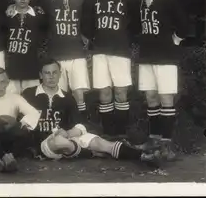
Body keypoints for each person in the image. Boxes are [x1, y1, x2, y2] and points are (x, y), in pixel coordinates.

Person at [21, 58, 162, 164]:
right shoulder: (29, 94)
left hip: (68, 136)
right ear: (40, 75)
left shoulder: (67, 97)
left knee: (102, 143)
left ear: (60, 74)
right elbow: (23, 125)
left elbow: (79, 125)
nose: (51, 76)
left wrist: (68, 133)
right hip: (46, 142)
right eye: (47, 73)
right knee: (59, 142)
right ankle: (88, 153)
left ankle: (143, 156)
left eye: (54, 73)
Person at [136, 0, 188, 160]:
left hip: (166, 57)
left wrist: (173, 41)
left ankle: (166, 144)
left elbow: (184, 26)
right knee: (151, 98)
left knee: (166, 99)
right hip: (146, 57)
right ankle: (153, 139)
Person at [82, 0, 133, 139]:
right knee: (104, 93)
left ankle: (121, 134)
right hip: (99, 51)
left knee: (120, 93)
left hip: (120, 51)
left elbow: (134, 21)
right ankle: (108, 135)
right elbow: (86, 25)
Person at [4, 0, 47, 94]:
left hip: (31, 69)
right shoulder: (7, 17)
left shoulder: (39, 17)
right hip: (11, 70)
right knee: (11, 104)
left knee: (31, 104)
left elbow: (44, 39)